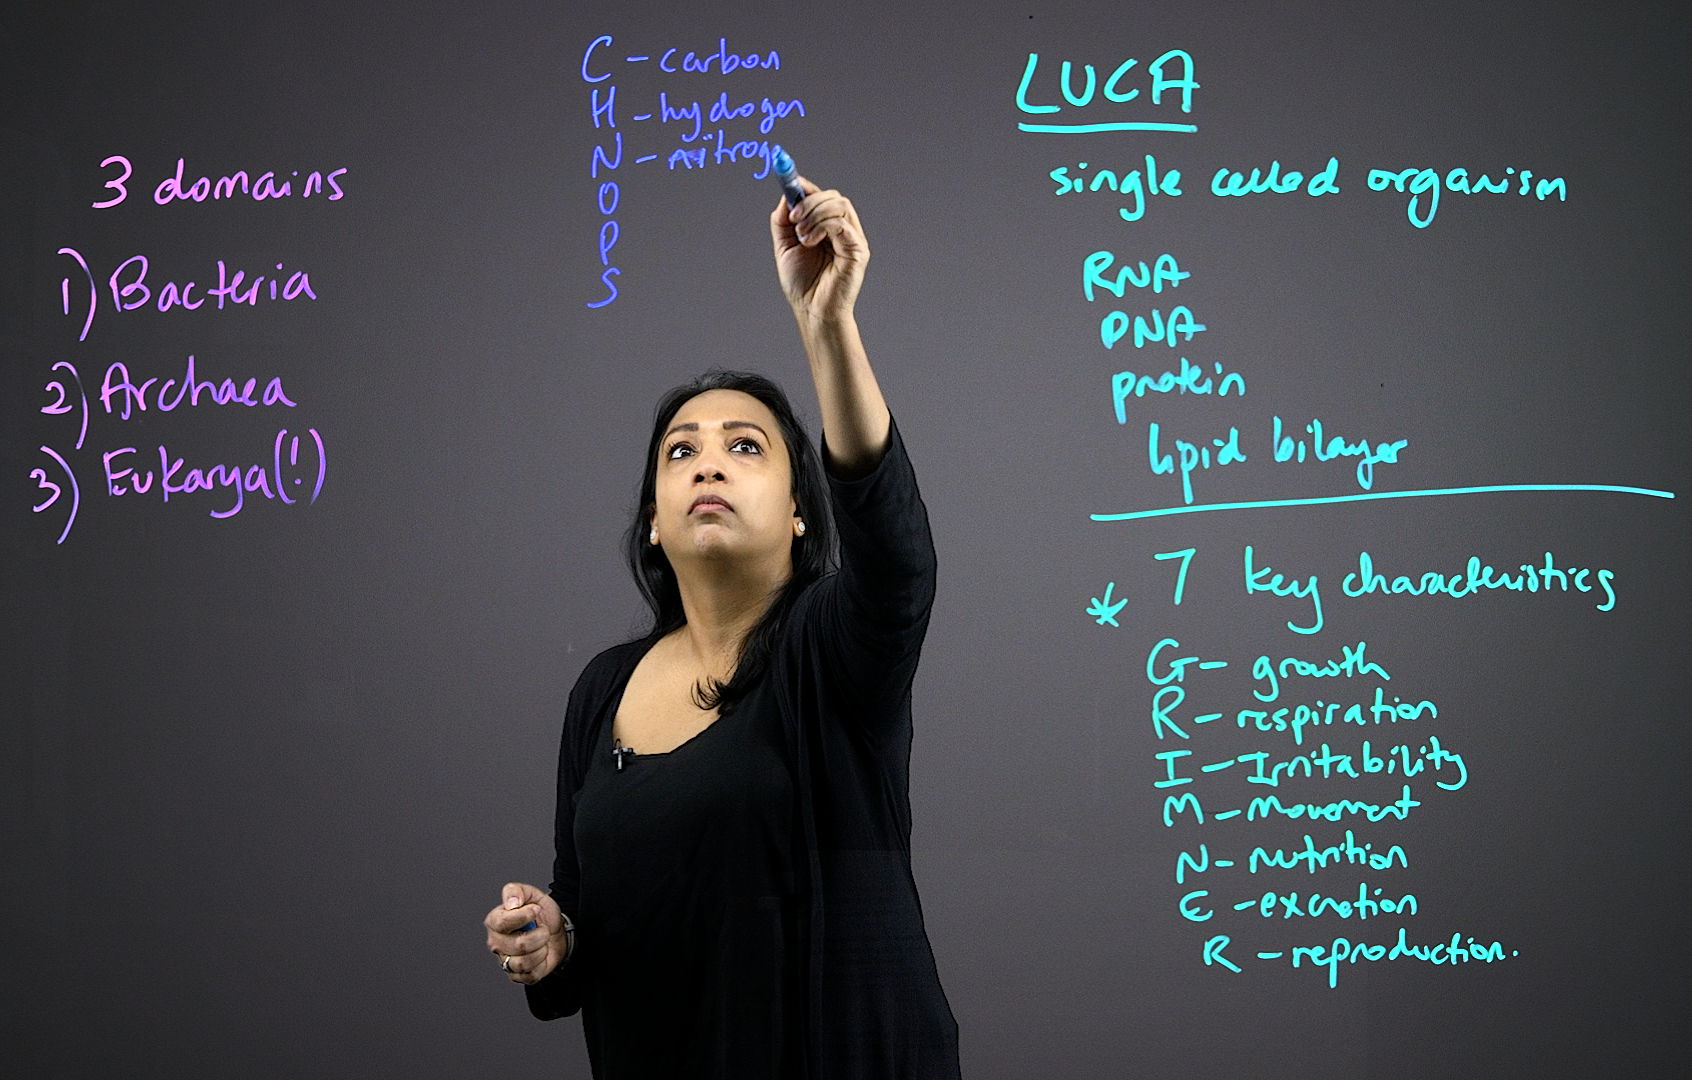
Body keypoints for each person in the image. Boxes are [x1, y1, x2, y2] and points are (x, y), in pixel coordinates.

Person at [483, 174, 960, 1079]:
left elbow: (896, 559)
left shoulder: (832, 655)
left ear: (799, 513)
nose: (710, 463)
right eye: (682, 450)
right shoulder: (602, 692)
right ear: (655, 520)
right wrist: (552, 937)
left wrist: (827, 326)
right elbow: (586, 916)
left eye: (747, 446)